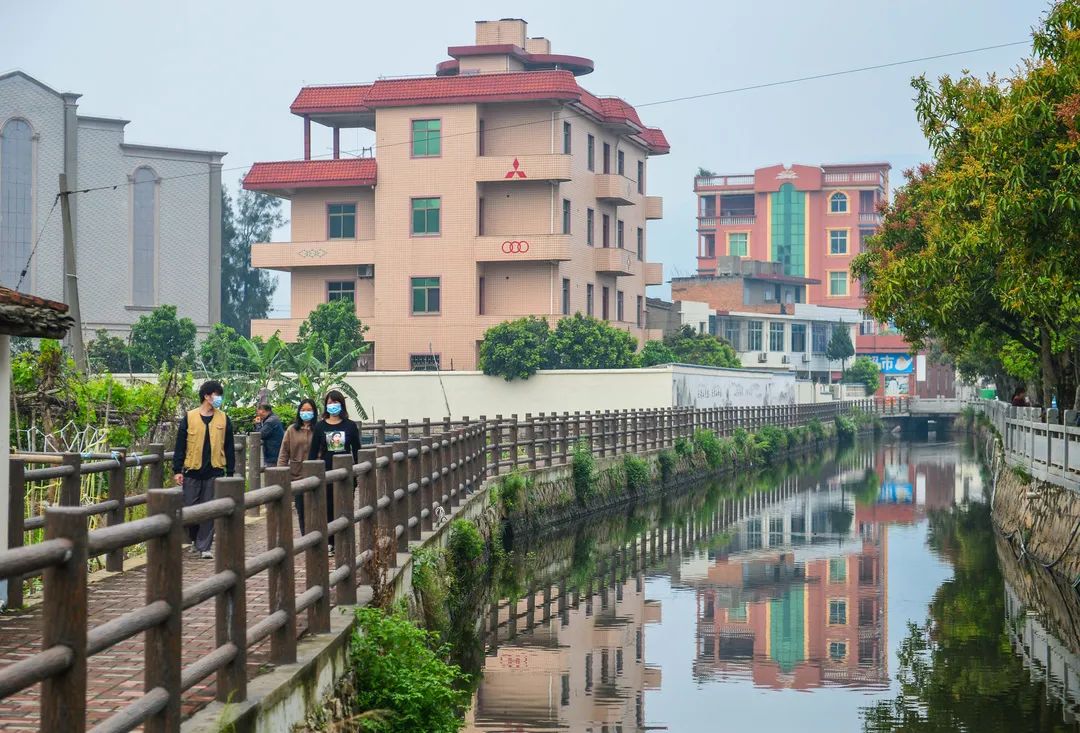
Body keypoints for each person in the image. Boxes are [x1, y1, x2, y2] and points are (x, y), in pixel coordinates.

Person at [173, 380, 235, 559]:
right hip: (192, 470)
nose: (219, 398)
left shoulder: (223, 418)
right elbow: (180, 445)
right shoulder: (189, 417)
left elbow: (229, 447)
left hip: (214, 470)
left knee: (209, 509)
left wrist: (229, 472)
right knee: (190, 508)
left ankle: (204, 546)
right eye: (216, 394)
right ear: (206, 396)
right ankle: (194, 539)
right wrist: (177, 469)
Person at [308, 390, 361, 554]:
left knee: (345, 506)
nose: (333, 406)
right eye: (329, 403)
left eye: (335, 402)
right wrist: (311, 472)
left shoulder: (350, 426)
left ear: (341, 405)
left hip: (346, 473)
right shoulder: (320, 426)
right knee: (328, 507)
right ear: (326, 405)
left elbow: (357, 450)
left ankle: (344, 540)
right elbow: (313, 451)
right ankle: (331, 541)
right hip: (327, 472)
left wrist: (358, 472)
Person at [277, 398, 318, 533]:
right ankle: (305, 536)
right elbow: (284, 453)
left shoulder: (318, 429)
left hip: (316, 474)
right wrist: (281, 473)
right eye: (303, 410)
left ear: (314, 412)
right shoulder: (291, 430)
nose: (306, 413)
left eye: (309, 410)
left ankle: (318, 536)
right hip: (297, 476)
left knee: (317, 508)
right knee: (301, 509)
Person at [254, 404, 285, 468]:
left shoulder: (270, 421)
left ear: (263, 411)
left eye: (259, 412)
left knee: (271, 473)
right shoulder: (273, 418)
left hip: (273, 455)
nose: (258, 415)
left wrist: (258, 424)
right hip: (276, 453)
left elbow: (259, 435)